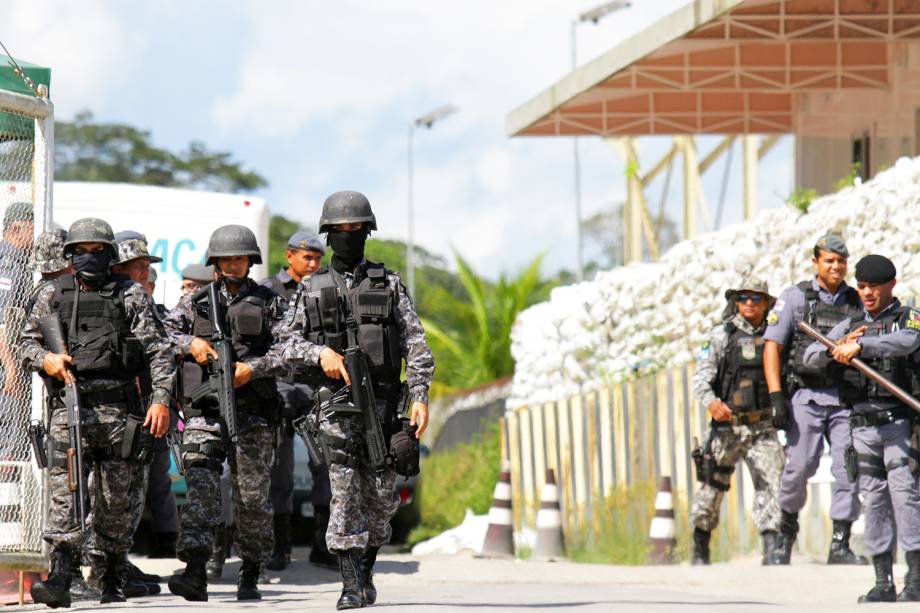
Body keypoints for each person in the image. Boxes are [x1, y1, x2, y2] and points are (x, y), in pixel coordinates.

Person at [281, 191, 434, 609]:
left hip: (385, 406)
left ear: (367, 232)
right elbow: (283, 344)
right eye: (342, 231)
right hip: (336, 408)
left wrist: (419, 396)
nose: (350, 236)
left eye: (357, 230)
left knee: (382, 499)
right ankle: (349, 586)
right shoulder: (310, 289)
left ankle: (365, 574)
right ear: (328, 236)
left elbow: (417, 346)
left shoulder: (389, 283)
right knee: (344, 493)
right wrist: (320, 354)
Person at [19, 217, 173, 607]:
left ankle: (113, 576)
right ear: (70, 255)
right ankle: (60, 578)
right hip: (70, 407)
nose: (89, 258)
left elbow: (159, 351)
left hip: (120, 412)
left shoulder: (130, 295)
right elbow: (25, 345)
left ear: (110, 254)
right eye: (81, 252)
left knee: (117, 500)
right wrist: (47, 360)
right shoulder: (51, 294)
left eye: (97, 251)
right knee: (64, 494)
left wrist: (161, 400)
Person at [164, 224, 303, 601]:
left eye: (240, 258)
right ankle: (195, 568)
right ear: (216, 262)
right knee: (201, 486)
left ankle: (251, 570)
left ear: (251, 261)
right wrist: (188, 342)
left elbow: (290, 347)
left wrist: (252, 369)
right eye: (227, 259)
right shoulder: (195, 303)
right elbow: (158, 332)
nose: (233, 264)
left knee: (253, 497)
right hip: (205, 412)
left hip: (253, 413)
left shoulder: (270, 301)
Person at [803, 254, 920, 602]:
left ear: (891, 285)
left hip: (899, 424)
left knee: (907, 497)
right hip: (862, 426)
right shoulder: (852, 324)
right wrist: (834, 352)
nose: (868, 293)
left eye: (875, 286)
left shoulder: (907, 317)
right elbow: (811, 354)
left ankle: (915, 580)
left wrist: (862, 346)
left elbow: (907, 342)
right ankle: (883, 580)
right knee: (875, 500)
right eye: (863, 287)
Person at [763, 234, 866, 565]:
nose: (836, 267)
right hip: (805, 397)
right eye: (829, 260)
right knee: (800, 465)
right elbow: (772, 347)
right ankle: (785, 535)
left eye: (841, 261)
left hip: (845, 399)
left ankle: (840, 543)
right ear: (815, 262)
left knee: (848, 467)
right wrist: (777, 396)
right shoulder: (795, 297)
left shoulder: (856, 300)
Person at [690, 278, 785, 565]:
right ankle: (699, 545)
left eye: (755, 298)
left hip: (762, 426)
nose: (749, 304)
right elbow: (701, 377)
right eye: (743, 298)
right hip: (726, 427)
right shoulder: (720, 336)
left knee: (772, 485)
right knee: (711, 486)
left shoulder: (775, 334)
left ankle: (771, 548)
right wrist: (711, 403)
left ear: (766, 302)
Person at [260, 230, 328, 570]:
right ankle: (280, 546)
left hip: (316, 388)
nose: (313, 264)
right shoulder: (269, 290)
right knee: (280, 469)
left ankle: (322, 544)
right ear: (289, 257)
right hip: (282, 386)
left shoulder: (325, 288)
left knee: (325, 464)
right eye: (307, 257)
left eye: (318, 258)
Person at [112, 234, 179, 562]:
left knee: (144, 484)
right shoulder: (106, 299)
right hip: (110, 408)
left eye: (145, 267)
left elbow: (162, 351)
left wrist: (161, 400)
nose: (144, 273)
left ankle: (119, 562)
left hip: (144, 407)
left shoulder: (145, 303)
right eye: (138, 266)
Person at [0, 202, 34, 458]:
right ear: (16, 228)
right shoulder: (9, 264)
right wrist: (11, 366)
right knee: (11, 448)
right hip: (7, 363)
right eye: (33, 227)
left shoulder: (20, 261)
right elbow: (2, 320)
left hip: (12, 360)